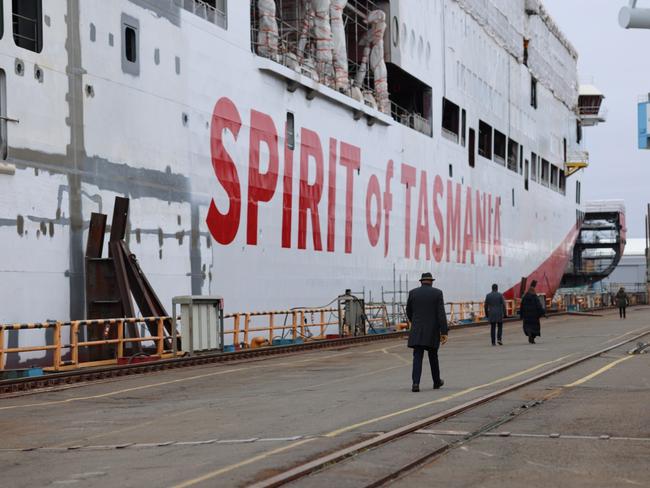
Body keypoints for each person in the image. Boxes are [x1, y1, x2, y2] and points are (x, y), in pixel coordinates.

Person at [406, 272, 448, 392]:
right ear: (431, 281)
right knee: (433, 357)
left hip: (417, 330)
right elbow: (441, 314)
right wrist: (444, 332)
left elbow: (408, 311)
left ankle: (415, 384)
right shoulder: (437, 293)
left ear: (421, 281)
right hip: (432, 331)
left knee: (417, 357)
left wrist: (414, 322)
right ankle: (436, 382)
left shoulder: (413, 293)